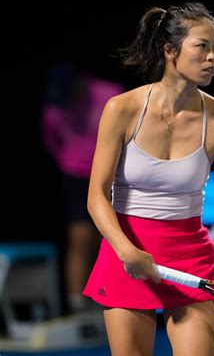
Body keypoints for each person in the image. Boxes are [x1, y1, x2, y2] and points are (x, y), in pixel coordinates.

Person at [82, 2, 214, 355]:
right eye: (202, 46)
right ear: (170, 51)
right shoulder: (122, 109)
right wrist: (125, 249)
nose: (213, 57)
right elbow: (97, 196)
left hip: (190, 257)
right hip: (127, 251)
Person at [41, 61, 125, 314]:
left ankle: (113, 296)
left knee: (111, 237)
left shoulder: (111, 95)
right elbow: (52, 141)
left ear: (83, 82)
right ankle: (78, 304)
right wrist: (72, 162)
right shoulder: (56, 103)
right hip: (76, 177)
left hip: (111, 173)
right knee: (80, 238)